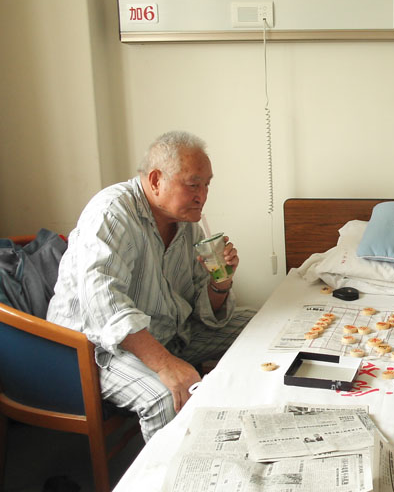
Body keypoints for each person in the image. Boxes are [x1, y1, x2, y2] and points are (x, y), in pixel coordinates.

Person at [47, 131, 256, 442]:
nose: (202, 196)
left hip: (167, 332)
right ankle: (173, 474)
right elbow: (104, 305)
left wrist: (220, 284)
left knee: (257, 326)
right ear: (156, 180)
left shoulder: (187, 226)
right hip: (97, 349)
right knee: (163, 397)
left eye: (207, 185)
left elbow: (198, 307)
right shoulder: (112, 212)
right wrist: (166, 364)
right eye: (193, 185)